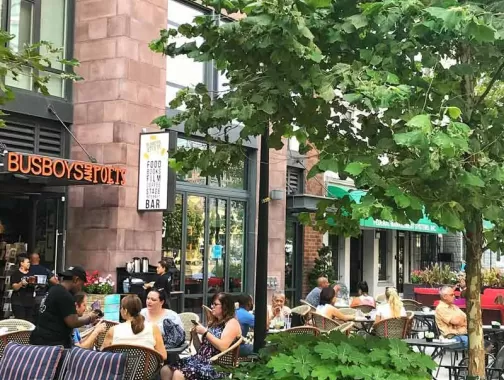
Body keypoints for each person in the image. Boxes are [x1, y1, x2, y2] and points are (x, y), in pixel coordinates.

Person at [161, 292, 242, 380]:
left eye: (215, 304)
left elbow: (222, 346)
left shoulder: (232, 323)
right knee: (165, 370)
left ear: (225, 306)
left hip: (216, 365)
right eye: (212, 304)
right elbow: (200, 349)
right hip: (200, 360)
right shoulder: (214, 322)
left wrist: (205, 332)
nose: (212, 307)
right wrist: (194, 335)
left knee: (178, 374)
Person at [30, 266, 99, 348]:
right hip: (51, 345)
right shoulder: (65, 295)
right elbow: (73, 322)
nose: (80, 288)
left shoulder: (53, 290)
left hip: (39, 340)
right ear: (76, 279)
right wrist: (90, 317)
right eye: (81, 284)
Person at [102, 294, 167, 361]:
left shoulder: (113, 330)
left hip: (120, 370)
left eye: (121, 308)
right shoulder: (153, 328)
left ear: (125, 311)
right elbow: (163, 355)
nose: (120, 310)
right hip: (146, 370)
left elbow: (103, 353)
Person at [28, 252, 59, 319]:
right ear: (39, 259)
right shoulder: (45, 270)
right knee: (39, 316)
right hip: (41, 296)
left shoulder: (27, 270)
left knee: (29, 317)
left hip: (27, 297)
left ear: (30, 260)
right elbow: (55, 282)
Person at [10, 255, 35, 322]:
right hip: (19, 302)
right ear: (21, 263)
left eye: (29, 262)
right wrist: (21, 283)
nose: (29, 264)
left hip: (30, 302)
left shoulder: (32, 273)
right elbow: (14, 287)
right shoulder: (16, 274)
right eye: (27, 262)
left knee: (30, 322)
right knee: (21, 322)